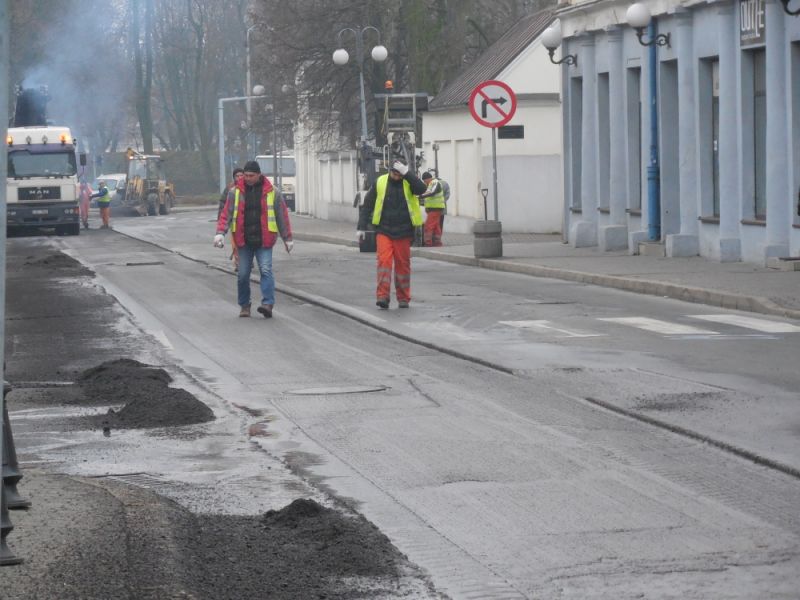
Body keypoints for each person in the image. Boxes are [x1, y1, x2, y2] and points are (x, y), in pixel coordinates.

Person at [213, 160, 293, 318]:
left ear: (259, 175)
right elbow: (226, 214)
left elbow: (282, 217)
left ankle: (268, 304)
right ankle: (244, 305)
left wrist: (287, 238)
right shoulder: (234, 192)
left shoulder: (273, 192)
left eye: (251, 175)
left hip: (265, 240)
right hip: (244, 241)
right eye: (246, 175)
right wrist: (220, 232)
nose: (247, 178)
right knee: (243, 274)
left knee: (265, 270)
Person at [357, 160, 427, 309]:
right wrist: (361, 227)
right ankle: (382, 296)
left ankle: (403, 298)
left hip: (404, 231)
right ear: (389, 171)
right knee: (384, 263)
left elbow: (422, 189)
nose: (397, 176)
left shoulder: (409, 181)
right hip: (384, 230)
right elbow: (368, 204)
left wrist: (408, 173)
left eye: (400, 174)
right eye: (395, 173)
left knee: (403, 266)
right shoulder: (380, 182)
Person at [218, 167, 245, 270]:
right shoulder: (230, 189)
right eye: (237, 176)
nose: (239, 178)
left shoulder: (249, 187)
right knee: (236, 245)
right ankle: (238, 263)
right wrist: (221, 222)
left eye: (241, 175)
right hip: (234, 223)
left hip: (246, 223)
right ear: (234, 177)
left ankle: (248, 261)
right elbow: (223, 204)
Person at [418, 172, 445, 247]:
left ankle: (428, 243)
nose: (424, 182)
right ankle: (437, 243)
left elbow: (431, 192)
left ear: (428, 179)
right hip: (434, 208)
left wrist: (420, 196)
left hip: (435, 208)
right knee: (436, 226)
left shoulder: (434, 182)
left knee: (428, 225)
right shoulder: (430, 184)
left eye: (424, 180)